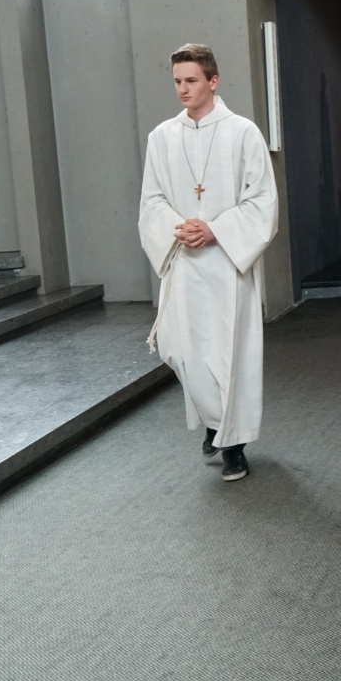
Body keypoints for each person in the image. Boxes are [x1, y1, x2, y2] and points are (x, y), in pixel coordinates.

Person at [138, 43, 278, 482]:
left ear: (213, 81)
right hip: (183, 258)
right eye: (177, 82)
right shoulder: (162, 137)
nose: (183, 89)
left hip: (226, 263)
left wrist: (214, 229)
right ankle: (216, 420)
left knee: (227, 353)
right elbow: (151, 199)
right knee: (178, 349)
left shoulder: (243, 133)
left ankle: (232, 445)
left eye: (192, 80)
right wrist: (180, 227)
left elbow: (262, 200)